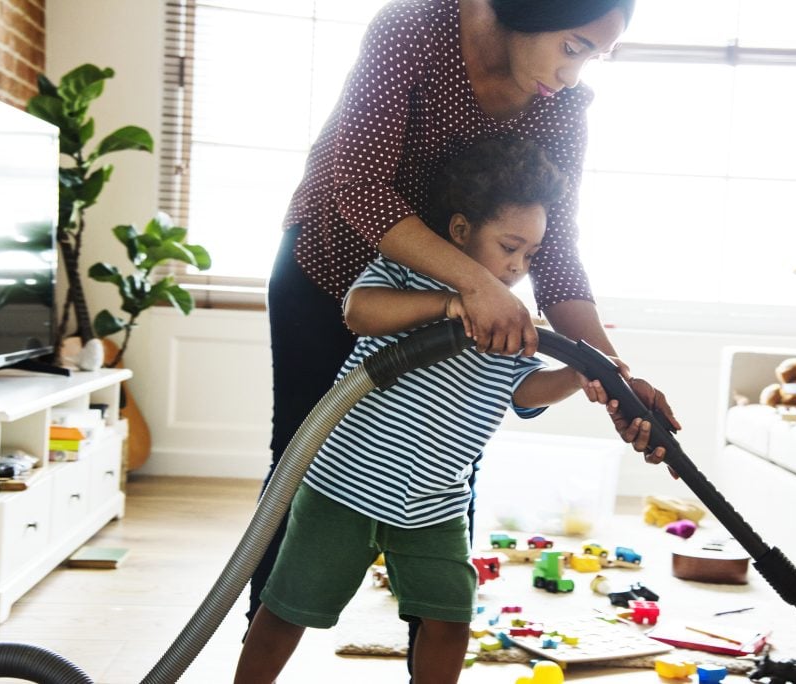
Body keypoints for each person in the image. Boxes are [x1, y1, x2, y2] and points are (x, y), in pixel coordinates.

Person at [253, 0, 681, 663]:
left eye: (592, 57)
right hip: (334, 267)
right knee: (299, 467)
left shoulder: (562, 108)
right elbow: (360, 186)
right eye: (572, 46)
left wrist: (611, 374)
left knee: (450, 470)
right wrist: (475, 289)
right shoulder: (415, 30)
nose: (574, 74)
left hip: (470, 293)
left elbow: (556, 251)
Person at [236, 138, 625, 684]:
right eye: (508, 247)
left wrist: (580, 373)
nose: (516, 268)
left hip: (435, 504)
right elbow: (359, 310)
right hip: (343, 489)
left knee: (449, 621)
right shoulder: (407, 275)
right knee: (288, 611)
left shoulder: (513, 321)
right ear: (462, 231)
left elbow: (523, 392)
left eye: (529, 257)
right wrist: (452, 304)